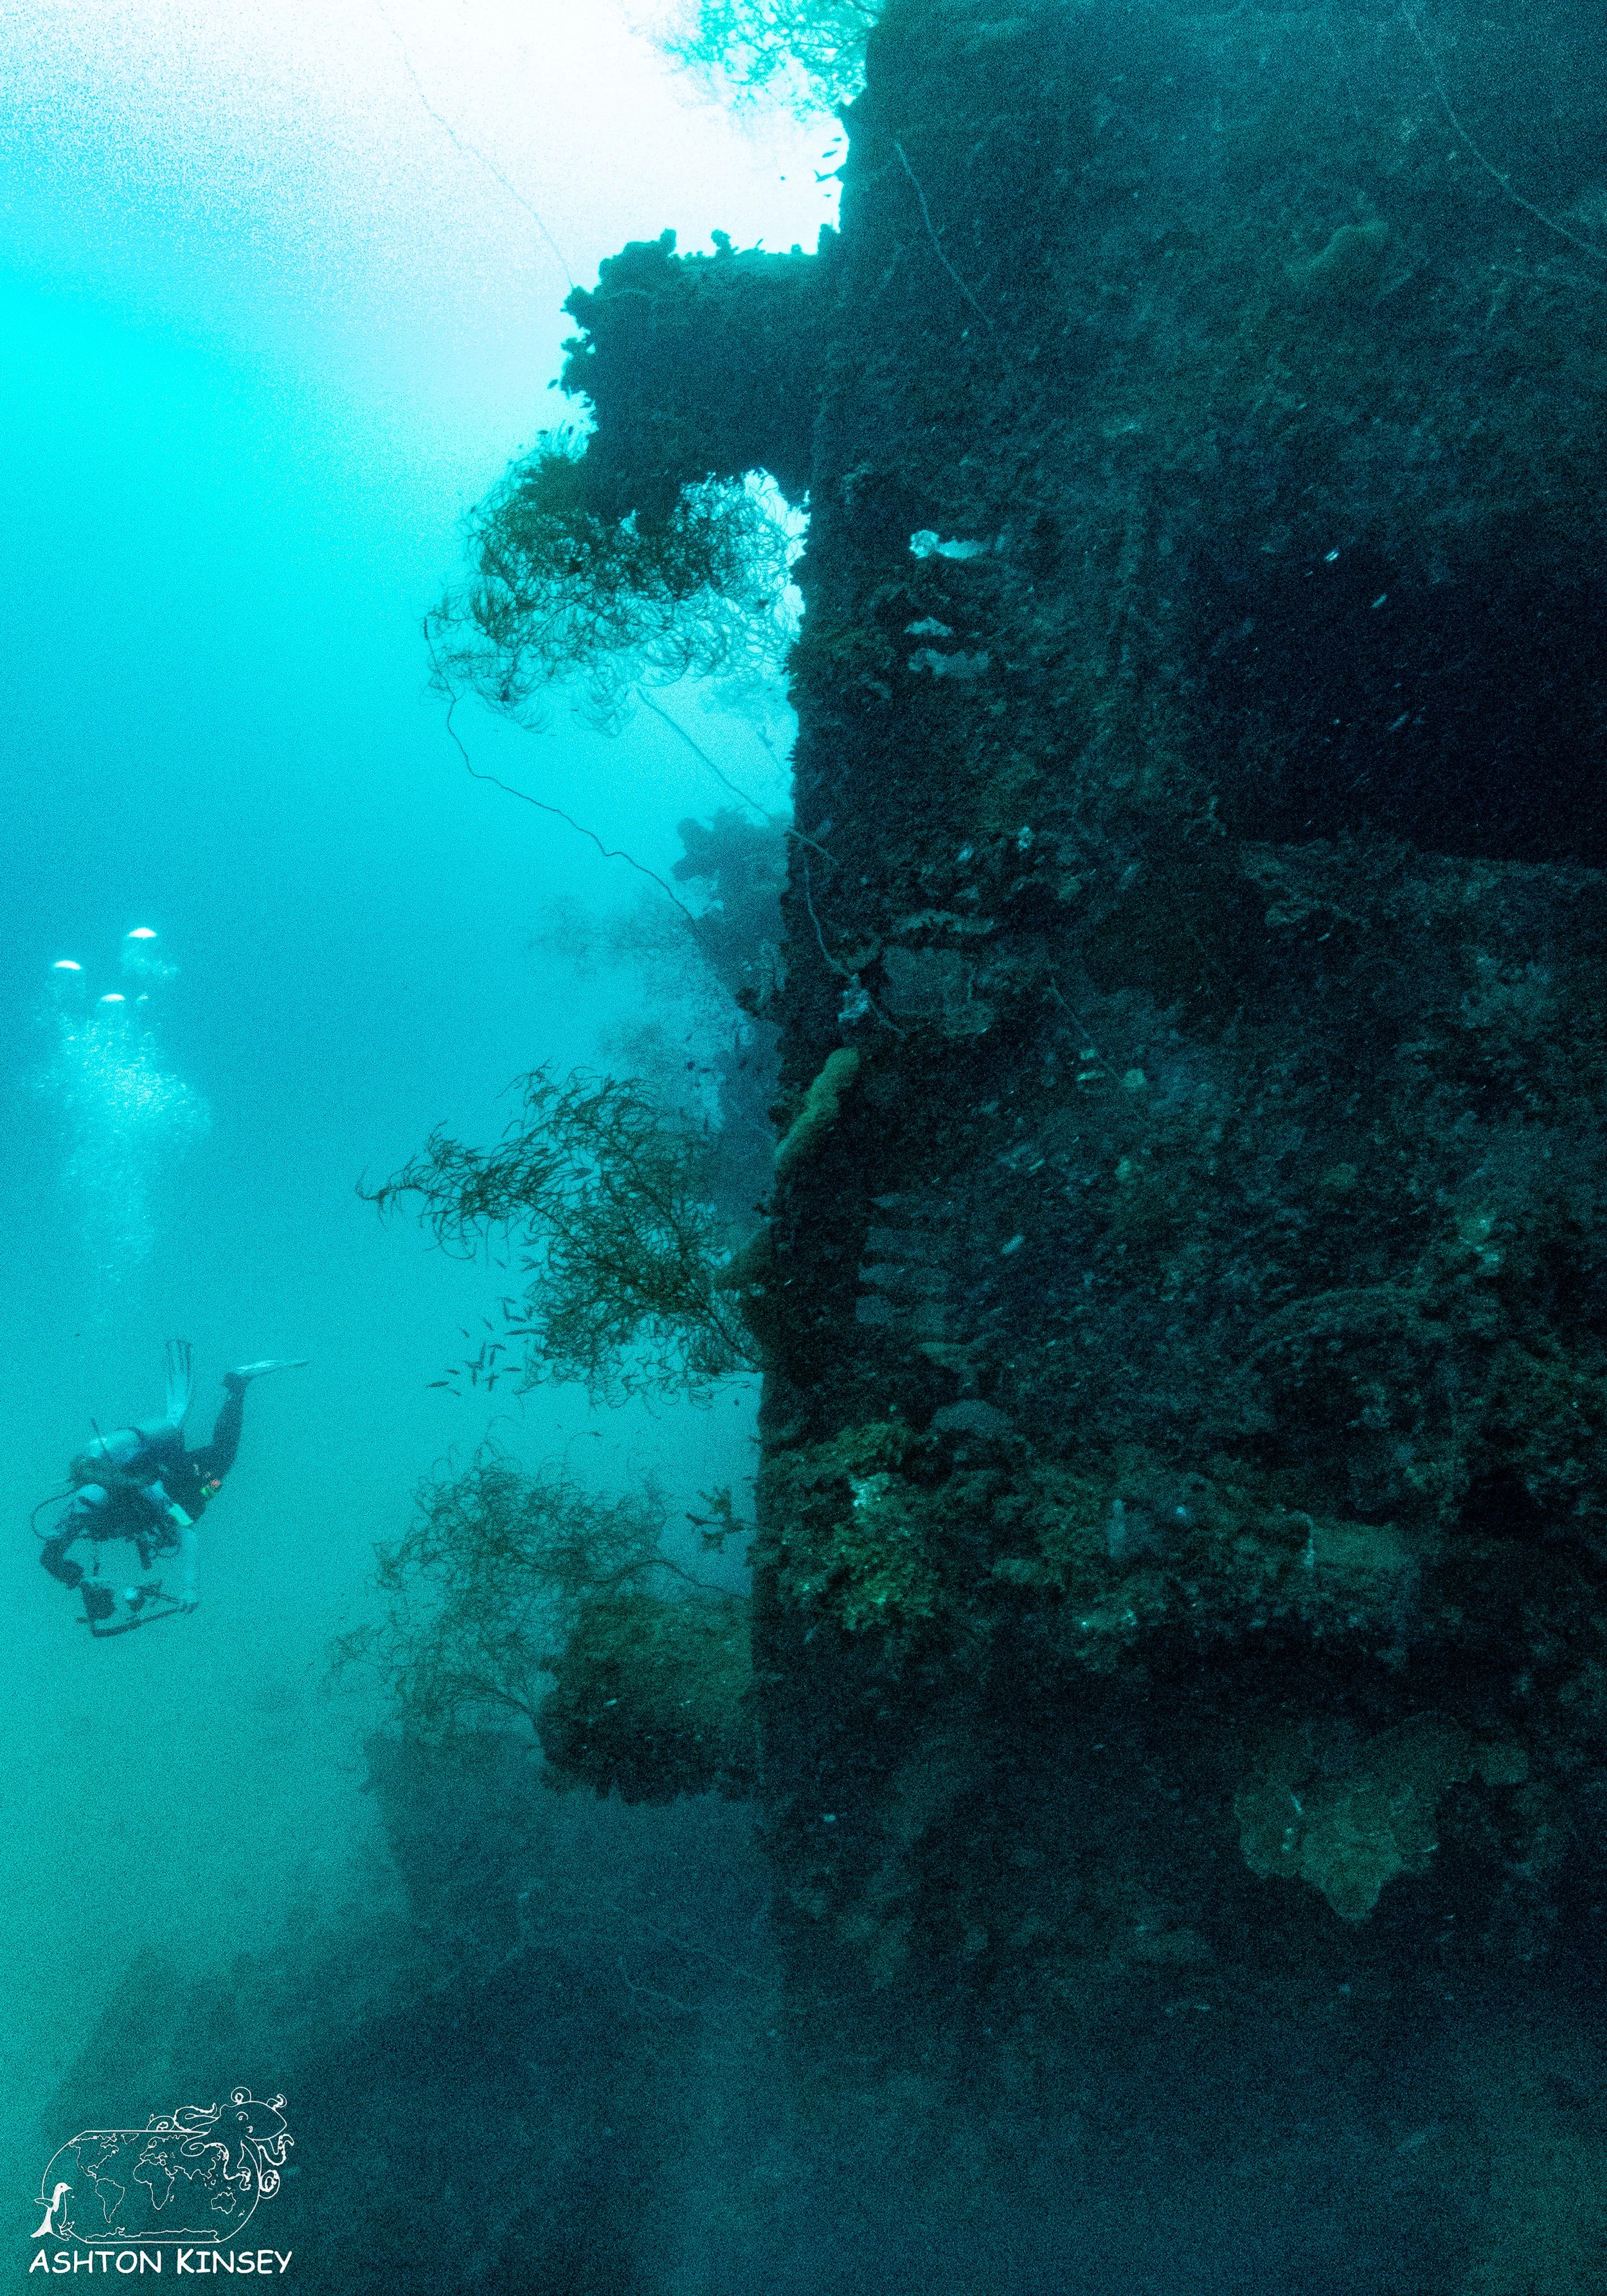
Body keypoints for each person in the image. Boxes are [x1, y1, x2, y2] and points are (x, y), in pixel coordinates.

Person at [37, 1341, 305, 1635]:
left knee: (222, 1460)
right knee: (208, 1484)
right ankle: (232, 1390)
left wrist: (190, 1587)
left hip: (176, 1480)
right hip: (170, 1485)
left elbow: (186, 1530)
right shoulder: (85, 1509)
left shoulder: (117, 1498)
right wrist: (80, 1581)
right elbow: (51, 1557)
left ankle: (237, 1384)